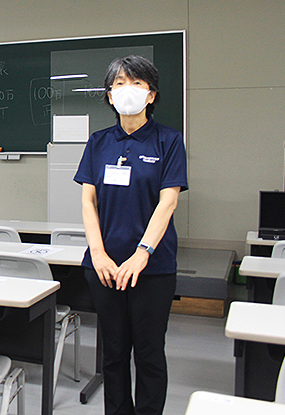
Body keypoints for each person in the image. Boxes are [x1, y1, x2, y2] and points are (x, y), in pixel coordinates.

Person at [73, 55, 188, 415]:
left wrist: (142, 253)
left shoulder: (169, 141)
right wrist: (98, 253)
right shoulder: (98, 142)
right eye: (119, 83)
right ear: (109, 95)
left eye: (136, 83)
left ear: (151, 95)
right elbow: (88, 201)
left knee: (149, 353)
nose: (127, 90)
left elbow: (168, 202)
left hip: (152, 268)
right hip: (104, 268)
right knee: (114, 352)